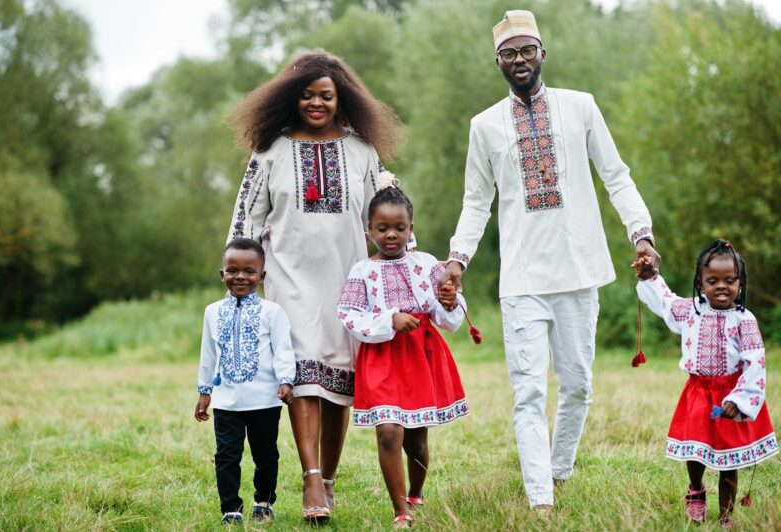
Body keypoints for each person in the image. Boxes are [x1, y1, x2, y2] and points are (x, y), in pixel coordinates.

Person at [438, 9, 662, 511]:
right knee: (527, 394)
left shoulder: (580, 107)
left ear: (543, 54)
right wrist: (458, 259)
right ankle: (541, 499)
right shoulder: (485, 126)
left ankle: (558, 470)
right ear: (497, 62)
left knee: (578, 386)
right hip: (521, 280)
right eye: (509, 54)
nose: (519, 60)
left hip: (579, 271)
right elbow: (477, 201)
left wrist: (641, 235)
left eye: (527, 50)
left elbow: (616, 175)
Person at [226, 50, 401, 523]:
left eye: (326, 95)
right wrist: (238, 272)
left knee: (338, 385)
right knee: (302, 376)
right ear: (290, 98)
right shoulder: (270, 152)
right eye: (306, 95)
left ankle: (328, 480)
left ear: (342, 98)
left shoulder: (364, 151)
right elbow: (246, 221)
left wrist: (404, 272)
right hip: (288, 279)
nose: (316, 103)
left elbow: (390, 214)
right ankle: (309, 477)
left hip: (350, 284)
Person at [337, 174, 469, 528]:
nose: (391, 235)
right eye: (382, 228)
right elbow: (348, 315)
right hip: (381, 359)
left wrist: (450, 300)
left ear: (411, 228)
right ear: (369, 231)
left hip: (420, 357)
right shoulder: (362, 271)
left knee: (416, 438)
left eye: (398, 227)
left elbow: (449, 315)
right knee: (389, 432)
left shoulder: (428, 264)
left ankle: (416, 490)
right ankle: (401, 509)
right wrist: (388, 320)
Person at [633, 240, 777, 527]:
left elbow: (755, 362)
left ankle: (726, 517)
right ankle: (696, 490)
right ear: (700, 283)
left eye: (729, 280)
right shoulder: (692, 311)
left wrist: (740, 400)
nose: (721, 286)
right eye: (712, 281)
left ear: (740, 282)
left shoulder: (744, 320)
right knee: (696, 450)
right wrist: (650, 275)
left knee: (729, 462)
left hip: (731, 396)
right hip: (699, 394)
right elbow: (665, 301)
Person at [194, 238, 296, 525]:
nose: (241, 276)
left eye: (250, 271)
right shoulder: (212, 312)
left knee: (266, 456)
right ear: (222, 273)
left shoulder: (271, 312)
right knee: (226, 456)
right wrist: (204, 392)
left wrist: (286, 381)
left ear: (262, 276)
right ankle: (231, 509)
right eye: (233, 270)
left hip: (264, 401)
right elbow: (208, 354)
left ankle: (263, 502)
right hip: (227, 402)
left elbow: (283, 350)